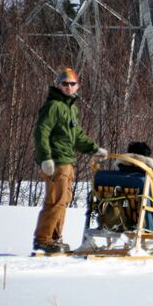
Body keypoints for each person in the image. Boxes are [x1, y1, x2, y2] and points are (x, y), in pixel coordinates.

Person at [33, 67, 108, 254]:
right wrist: (46, 158)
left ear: (77, 86)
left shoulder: (71, 108)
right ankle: (43, 239)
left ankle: (55, 238)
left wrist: (94, 149)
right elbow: (41, 132)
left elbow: (77, 136)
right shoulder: (53, 106)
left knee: (64, 200)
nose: (68, 87)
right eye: (65, 84)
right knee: (55, 201)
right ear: (59, 85)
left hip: (67, 162)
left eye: (72, 84)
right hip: (56, 162)